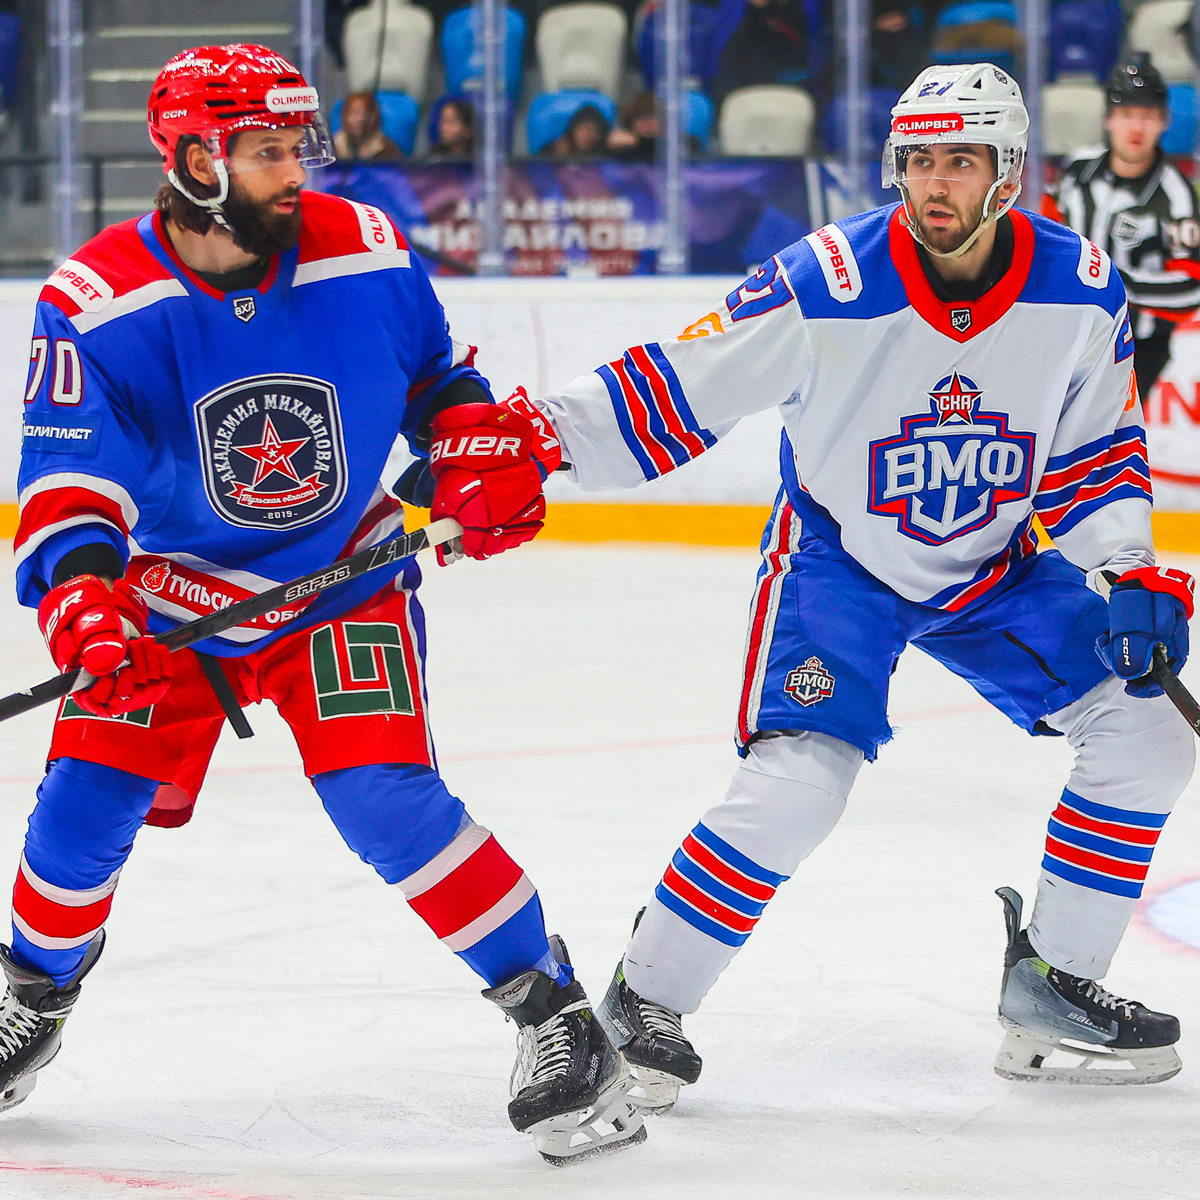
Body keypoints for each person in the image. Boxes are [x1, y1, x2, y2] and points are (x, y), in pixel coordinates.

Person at [0, 44, 645, 1166]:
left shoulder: (368, 250)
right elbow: (68, 485)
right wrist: (83, 604)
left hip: (344, 579)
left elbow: (438, 381)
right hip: (169, 600)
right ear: (195, 160)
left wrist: (470, 457)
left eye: (299, 147)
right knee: (82, 808)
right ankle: (31, 997)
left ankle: (556, 1015)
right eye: (266, 151)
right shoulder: (97, 302)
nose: (296, 172)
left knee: (384, 799)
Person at [531, 62, 1195, 1111]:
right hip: (840, 562)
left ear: (1008, 170)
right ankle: (642, 999)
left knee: (1149, 732)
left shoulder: (1078, 287)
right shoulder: (828, 281)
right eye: (918, 160)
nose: (934, 183)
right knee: (801, 783)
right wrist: (537, 440)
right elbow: (678, 383)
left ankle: (1054, 983)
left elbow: (1095, 450)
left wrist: (1127, 566)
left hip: (992, 562)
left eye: (960, 160)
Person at [1045, 54, 1200, 405]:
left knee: (1108, 432)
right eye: (1127, 114)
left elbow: (1191, 287)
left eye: (1148, 115)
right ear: (1108, 118)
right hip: (1069, 333)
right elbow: (1045, 238)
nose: (1137, 127)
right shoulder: (1076, 171)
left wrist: (1115, 285)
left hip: (1137, 345)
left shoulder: (1176, 195)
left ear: (1164, 121)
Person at [333, 90, 404, 162]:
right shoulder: (333, 149)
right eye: (354, 113)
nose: (359, 119)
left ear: (375, 117)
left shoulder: (388, 151)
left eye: (365, 113)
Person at [547, 104, 611, 158]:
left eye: (594, 129)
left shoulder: (606, 156)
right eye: (583, 128)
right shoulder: (555, 153)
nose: (587, 134)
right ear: (573, 131)